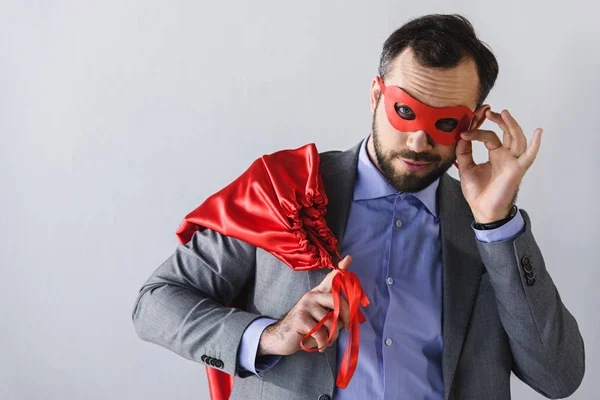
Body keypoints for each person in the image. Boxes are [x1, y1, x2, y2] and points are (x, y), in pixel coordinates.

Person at [132, 14, 585, 400]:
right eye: (404, 111)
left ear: (475, 122)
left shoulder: (488, 227)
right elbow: (155, 304)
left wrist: (498, 224)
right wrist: (270, 336)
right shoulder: (282, 188)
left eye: (445, 122)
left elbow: (559, 377)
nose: (417, 141)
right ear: (375, 95)